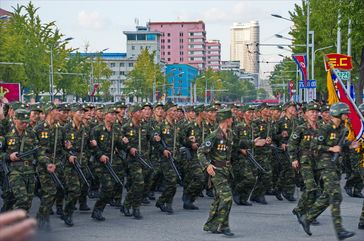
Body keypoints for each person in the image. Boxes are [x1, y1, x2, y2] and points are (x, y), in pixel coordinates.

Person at [299, 102, 358, 240]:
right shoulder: (325, 128)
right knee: (336, 195)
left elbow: (339, 145)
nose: (346, 116)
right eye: (345, 113)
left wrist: (350, 145)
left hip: (335, 165)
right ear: (338, 113)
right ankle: (340, 230)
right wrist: (331, 149)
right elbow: (315, 146)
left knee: (327, 196)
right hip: (325, 164)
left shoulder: (342, 129)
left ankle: (307, 218)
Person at [198, 108, 234, 236]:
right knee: (227, 198)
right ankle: (224, 226)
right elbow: (201, 151)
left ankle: (211, 225)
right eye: (231, 118)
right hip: (216, 171)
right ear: (226, 119)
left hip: (226, 170)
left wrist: (253, 142)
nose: (232, 120)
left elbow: (239, 144)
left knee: (219, 199)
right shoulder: (214, 135)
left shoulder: (229, 133)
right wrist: (207, 165)